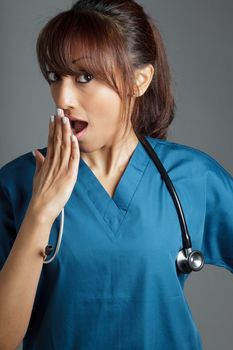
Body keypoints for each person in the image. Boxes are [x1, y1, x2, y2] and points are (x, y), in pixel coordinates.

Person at [0, 0, 232, 349]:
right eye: (55, 76)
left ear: (139, 80)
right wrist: (40, 211)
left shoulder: (192, 178)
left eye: (85, 77)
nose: (62, 97)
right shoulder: (17, 184)